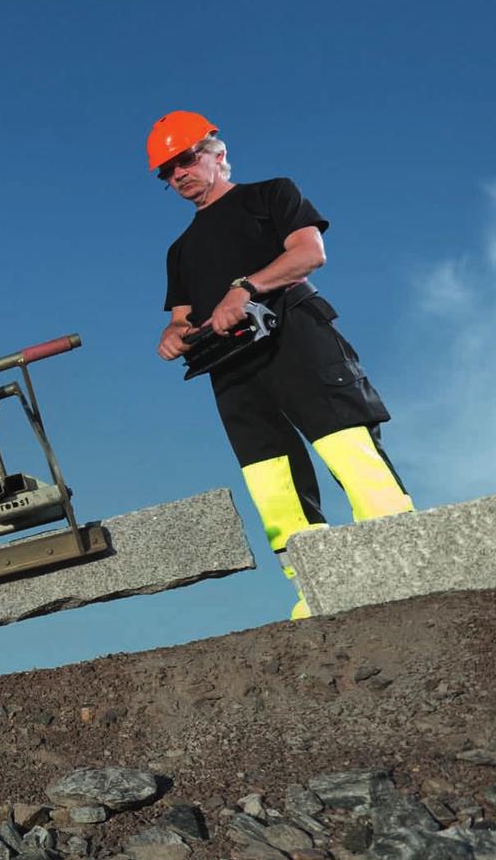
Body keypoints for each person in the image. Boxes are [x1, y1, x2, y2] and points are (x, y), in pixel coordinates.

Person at [148, 111, 414, 619]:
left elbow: (309, 253)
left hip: (295, 335)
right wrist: (173, 334)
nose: (178, 173)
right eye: (167, 171)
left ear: (218, 154)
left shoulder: (270, 195)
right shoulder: (179, 251)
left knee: (344, 444)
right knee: (270, 479)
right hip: (229, 364)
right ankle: (316, 588)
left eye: (185, 158)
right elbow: (181, 316)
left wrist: (244, 288)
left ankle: (401, 559)